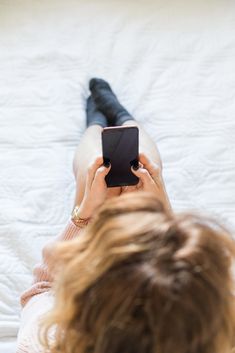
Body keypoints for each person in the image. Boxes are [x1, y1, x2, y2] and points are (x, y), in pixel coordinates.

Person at [16, 79, 235, 353]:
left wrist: (84, 214)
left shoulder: (41, 344)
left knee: (92, 171)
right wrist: (161, 211)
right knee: (145, 164)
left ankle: (95, 122)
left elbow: (44, 289)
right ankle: (120, 116)